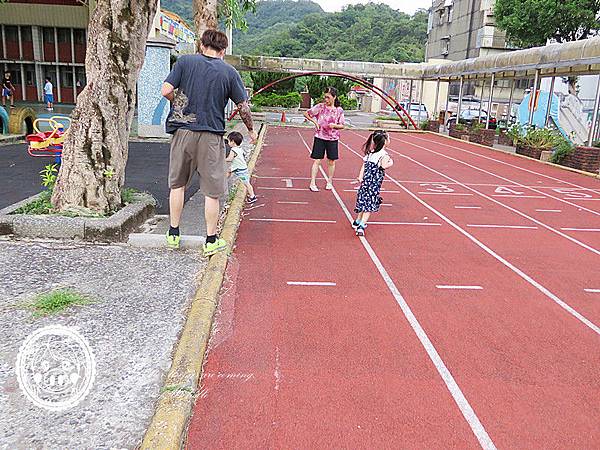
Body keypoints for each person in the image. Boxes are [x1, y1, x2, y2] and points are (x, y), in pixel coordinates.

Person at [161, 29, 257, 256]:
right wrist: (251, 131)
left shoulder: (185, 62)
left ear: (202, 45)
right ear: (223, 51)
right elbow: (243, 107)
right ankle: (211, 240)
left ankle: (173, 234)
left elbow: (166, 90)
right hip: (211, 136)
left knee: (177, 185)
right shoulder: (229, 72)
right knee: (212, 192)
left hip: (183, 131)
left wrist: (179, 102)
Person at [352, 130, 394, 237]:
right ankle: (361, 225)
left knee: (363, 201)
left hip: (366, 181)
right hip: (374, 183)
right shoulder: (384, 155)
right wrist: (391, 162)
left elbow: (364, 165)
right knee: (369, 204)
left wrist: (360, 176)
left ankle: (357, 221)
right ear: (385, 142)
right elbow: (384, 166)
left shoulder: (371, 153)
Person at [304, 87, 345, 192]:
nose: (326, 99)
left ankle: (329, 182)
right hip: (320, 137)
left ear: (334, 97)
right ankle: (312, 182)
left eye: (328, 97)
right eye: (325, 97)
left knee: (331, 161)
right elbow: (306, 113)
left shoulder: (339, 110)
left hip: (333, 138)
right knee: (317, 160)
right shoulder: (320, 107)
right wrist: (315, 123)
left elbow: (342, 125)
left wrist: (334, 125)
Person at [225, 131, 257, 204]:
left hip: (240, 170)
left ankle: (253, 196)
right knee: (229, 171)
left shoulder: (233, 150)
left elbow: (230, 159)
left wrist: (223, 159)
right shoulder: (240, 149)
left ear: (233, 142)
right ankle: (223, 181)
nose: (228, 143)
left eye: (229, 141)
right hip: (238, 167)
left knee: (246, 183)